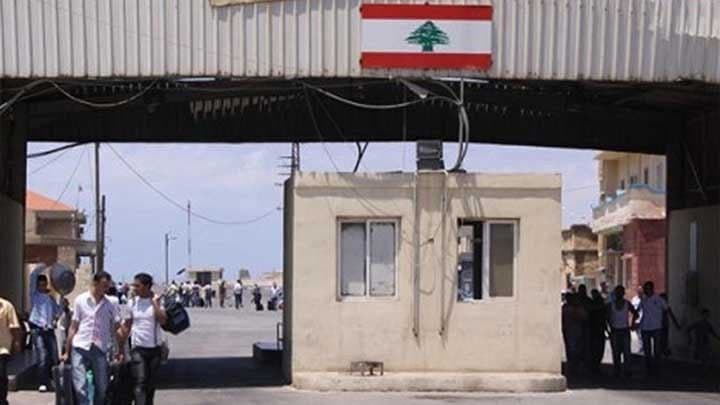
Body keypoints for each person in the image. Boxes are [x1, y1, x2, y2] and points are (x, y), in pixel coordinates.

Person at [60, 271, 123, 405]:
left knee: (102, 386)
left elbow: (117, 327)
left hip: (100, 348)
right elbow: (73, 326)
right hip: (80, 346)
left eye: (107, 286)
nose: (106, 289)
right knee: (80, 385)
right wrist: (67, 351)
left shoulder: (110, 304)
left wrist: (120, 349)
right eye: (104, 285)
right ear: (95, 283)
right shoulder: (81, 300)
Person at [122, 273, 168, 405]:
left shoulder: (157, 302)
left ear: (147, 286)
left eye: (137, 286)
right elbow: (126, 326)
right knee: (140, 381)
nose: (134, 288)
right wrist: (120, 348)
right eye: (134, 285)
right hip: (138, 348)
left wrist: (154, 303)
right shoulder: (132, 303)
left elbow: (163, 320)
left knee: (150, 385)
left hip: (154, 349)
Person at [28, 274, 61, 392]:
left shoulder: (50, 298)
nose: (42, 287)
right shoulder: (34, 295)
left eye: (44, 285)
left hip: (49, 330)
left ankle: (53, 381)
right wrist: (45, 265)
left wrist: (62, 303)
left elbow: (57, 312)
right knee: (42, 356)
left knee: (54, 356)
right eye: (40, 285)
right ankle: (42, 382)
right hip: (38, 329)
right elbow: (33, 276)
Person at [638, 281, 677, 376]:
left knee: (657, 350)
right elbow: (638, 310)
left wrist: (675, 323)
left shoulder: (659, 299)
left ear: (652, 289)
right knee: (647, 350)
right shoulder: (643, 300)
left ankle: (657, 369)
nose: (645, 290)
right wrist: (634, 322)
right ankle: (649, 369)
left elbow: (668, 310)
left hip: (657, 328)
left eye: (647, 288)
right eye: (645, 289)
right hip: (645, 327)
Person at [607, 285, 639, 377]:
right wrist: (610, 326)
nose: (619, 294)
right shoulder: (611, 305)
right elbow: (607, 316)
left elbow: (635, 313)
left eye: (621, 292)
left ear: (623, 293)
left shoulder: (627, 304)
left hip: (625, 330)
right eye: (618, 292)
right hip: (615, 330)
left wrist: (632, 324)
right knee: (616, 352)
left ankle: (627, 369)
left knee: (626, 351)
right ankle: (617, 369)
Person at [0, 296, 22, 405]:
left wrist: (17, 342)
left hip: (2, 348)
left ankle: (2, 400)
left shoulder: (6, 306)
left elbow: (14, 327)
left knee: (1, 375)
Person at [562, 293, 587, 375]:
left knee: (578, 349)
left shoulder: (579, 308)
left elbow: (584, 317)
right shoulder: (566, 308)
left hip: (578, 331)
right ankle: (572, 366)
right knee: (571, 350)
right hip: (569, 331)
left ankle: (576, 366)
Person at [586, 289, 608, 374]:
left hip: (596, 330)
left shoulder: (594, 305)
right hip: (596, 330)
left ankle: (595, 365)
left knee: (595, 349)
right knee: (597, 349)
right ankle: (595, 365)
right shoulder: (600, 306)